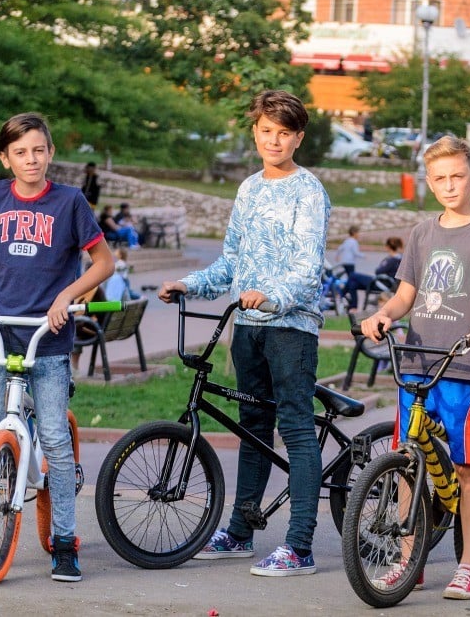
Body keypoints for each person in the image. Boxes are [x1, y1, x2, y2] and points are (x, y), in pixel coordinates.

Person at [158, 89, 330, 577]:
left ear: (298, 137)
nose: (273, 140)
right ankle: (238, 532)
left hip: (291, 327)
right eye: (265, 131)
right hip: (248, 329)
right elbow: (231, 259)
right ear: (255, 132)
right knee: (252, 431)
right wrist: (187, 284)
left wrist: (271, 295)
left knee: (295, 427)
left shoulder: (308, 190)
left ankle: (299, 547)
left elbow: (307, 268)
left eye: (283, 132)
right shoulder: (249, 188)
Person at [0, 112, 114, 582]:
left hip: (49, 339)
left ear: (51, 152)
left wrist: (68, 296)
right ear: (5, 158)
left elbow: (103, 261)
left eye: (39, 150)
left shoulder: (70, 201)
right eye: (20, 152)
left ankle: (64, 541)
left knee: (56, 441)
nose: (31, 158)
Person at [359, 136, 470, 600]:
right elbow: (406, 294)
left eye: (457, 176)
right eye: (440, 178)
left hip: (466, 365)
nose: (450, 185)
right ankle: (410, 560)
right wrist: (384, 314)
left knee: (469, 467)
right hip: (418, 362)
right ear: (429, 183)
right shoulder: (423, 233)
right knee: (410, 460)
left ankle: (469, 566)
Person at [337, 225, 373, 312]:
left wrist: (337, 256)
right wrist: (364, 256)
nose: (359, 235)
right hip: (350, 263)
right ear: (354, 233)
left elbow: (340, 248)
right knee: (352, 280)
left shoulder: (347, 240)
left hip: (344, 262)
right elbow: (356, 253)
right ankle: (342, 294)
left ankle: (344, 296)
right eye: (358, 233)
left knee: (351, 280)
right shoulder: (354, 242)